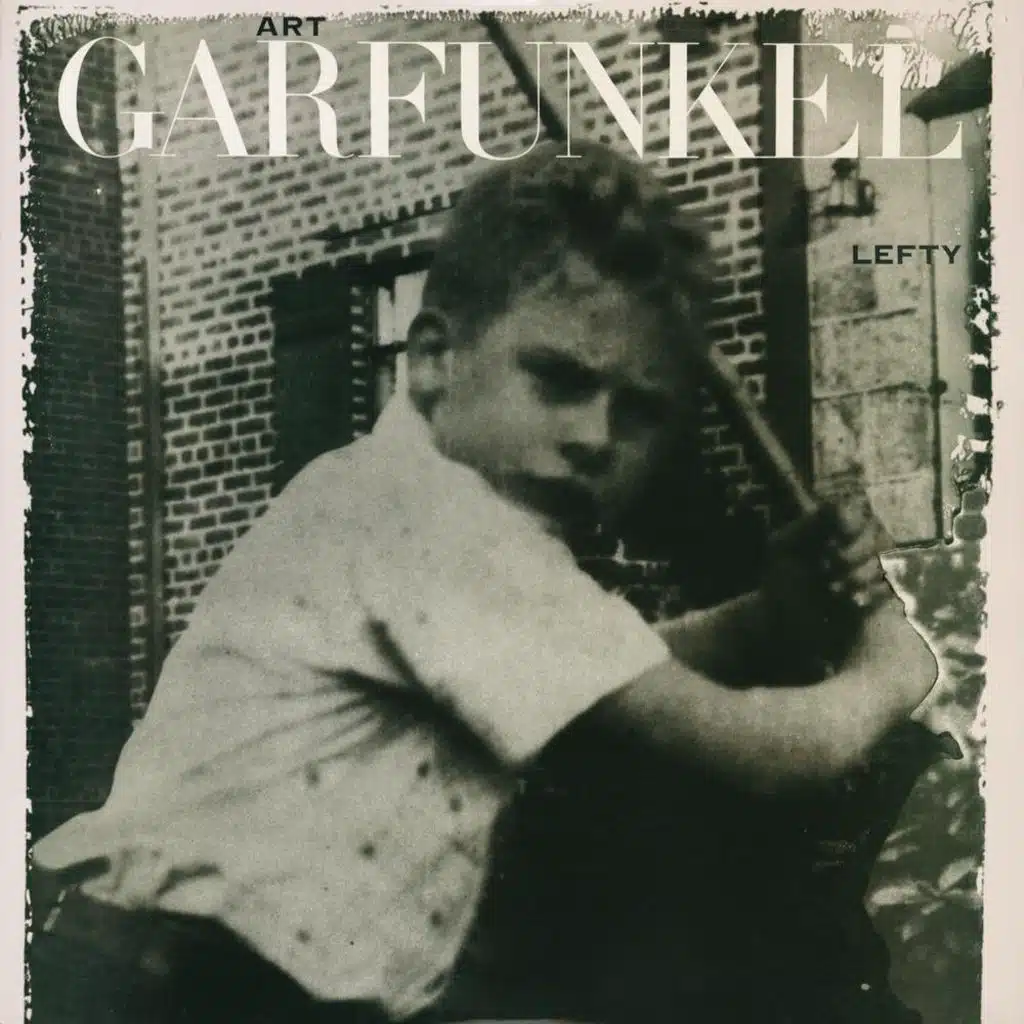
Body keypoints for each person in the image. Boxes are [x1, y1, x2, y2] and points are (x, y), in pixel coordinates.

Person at [30, 141, 937, 1024]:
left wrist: (768, 618)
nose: (594, 437)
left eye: (639, 409)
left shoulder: (397, 501)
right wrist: (897, 667)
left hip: (197, 978)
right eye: (558, 380)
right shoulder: (432, 521)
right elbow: (764, 755)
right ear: (433, 359)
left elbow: (607, 680)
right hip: (188, 986)